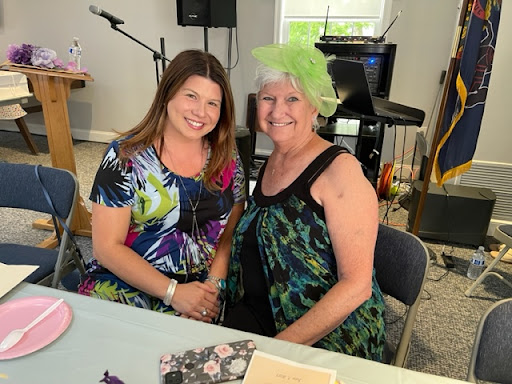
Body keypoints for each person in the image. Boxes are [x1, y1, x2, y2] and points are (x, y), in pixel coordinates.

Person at [223, 44, 386, 360]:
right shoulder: (275, 158)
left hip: (328, 335)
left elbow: (356, 287)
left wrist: (276, 349)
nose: (277, 111)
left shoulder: (340, 171)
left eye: (292, 100)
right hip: (262, 311)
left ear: (314, 108)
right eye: (268, 99)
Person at [78, 49, 245, 324]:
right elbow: (106, 248)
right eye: (191, 96)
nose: (200, 112)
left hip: (202, 290)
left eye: (213, 103)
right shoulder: (125, 156)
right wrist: (173, 292)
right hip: (125, 283)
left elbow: (233, 223)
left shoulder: (227, 155)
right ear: (167, 93)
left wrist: (215, 284)